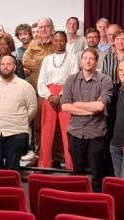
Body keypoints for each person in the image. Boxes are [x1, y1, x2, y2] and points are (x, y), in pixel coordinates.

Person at [61, 49, 112, 191]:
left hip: (96, 133)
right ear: (81, 60)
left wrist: (77, 104)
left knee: (97, 173)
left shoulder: (104, 80)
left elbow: (100, 106)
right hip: (75, 132)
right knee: (78, 172)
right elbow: (65, 106)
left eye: (91, 59)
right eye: (85, 58)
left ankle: (97, 202)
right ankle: (79, 200)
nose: (88, 61)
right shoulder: (71, 79)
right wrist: (90, 110)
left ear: (96, 62)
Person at [0, 55, 38, 170]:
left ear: (15, 67)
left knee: (12, 170)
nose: (5, 67)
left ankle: (10, 189)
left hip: (16, 133)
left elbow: (32, 109)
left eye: (9, 64)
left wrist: (19, 121)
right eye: (3, 64)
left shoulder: (25, 86)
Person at [36, 31, 78, 169]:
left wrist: (60, 95)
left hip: (66, 96)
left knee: (68, 132)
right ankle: (44, 165)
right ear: (52, 42)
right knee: (46, 132)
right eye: (56, 40)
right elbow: (41, 81)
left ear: (66, 41)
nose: (58, 43)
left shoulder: (73, 58)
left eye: (61, 40)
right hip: (49, 96)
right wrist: (49, 96)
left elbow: (73, 79)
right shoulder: (47, 59)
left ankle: (71, 166)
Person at [22, 18, 54, 88]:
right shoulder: (33, 43)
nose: (43, 29)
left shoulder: (58, 42)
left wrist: (36, 59)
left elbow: (57, 64)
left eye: (46, 26)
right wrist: (45, 64)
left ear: (52, 28)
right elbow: (25, 61)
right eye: (41, 27)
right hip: (36, 87)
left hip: (53, 87)